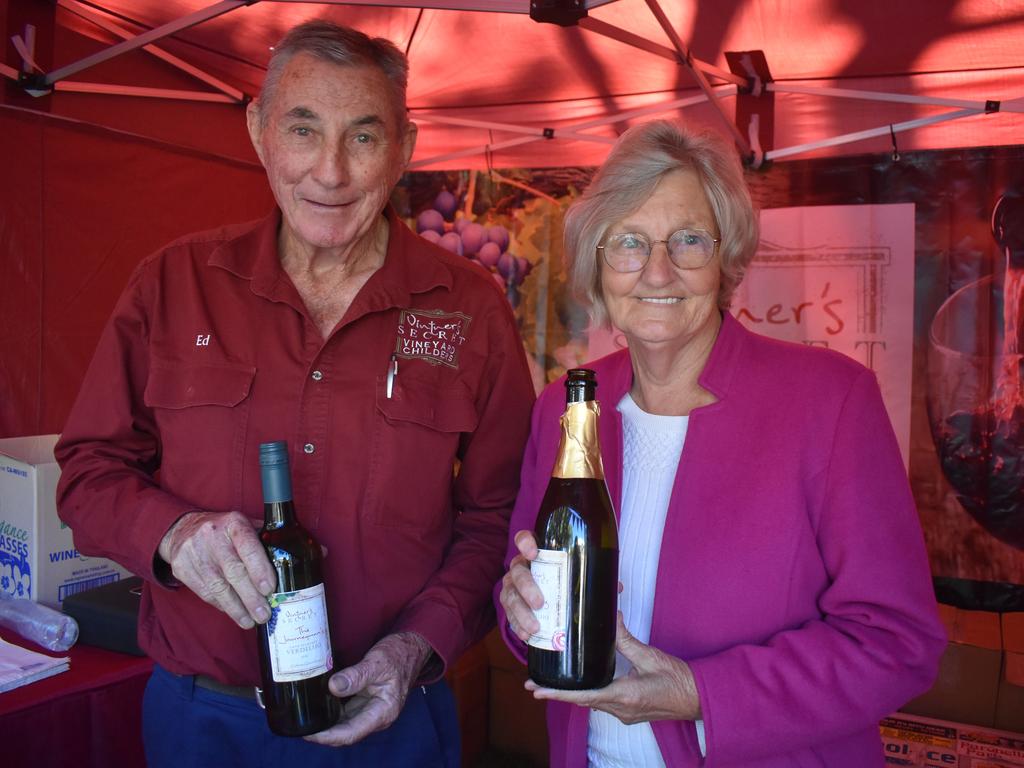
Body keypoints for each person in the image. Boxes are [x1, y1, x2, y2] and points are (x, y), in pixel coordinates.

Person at [55, 19, 534, 768]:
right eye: (303, 130)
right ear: (259, 132)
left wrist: (418, 645)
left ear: (404, 148)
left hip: (394, 717)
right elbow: (88, 471)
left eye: (364, 138)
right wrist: (173, 535)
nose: (331, 172)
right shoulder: (173, 283)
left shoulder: (470, 310)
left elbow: (500, 516)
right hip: (204, 722)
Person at [497, 120, 946, 767]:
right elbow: (527, 591)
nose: (657, 270)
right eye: (628, 242)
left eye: (687, 240)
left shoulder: (828, 401)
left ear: (726, 257)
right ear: (598, 261)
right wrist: (521, 610)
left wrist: (698, 692)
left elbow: (897, 641)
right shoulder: (565, 409)